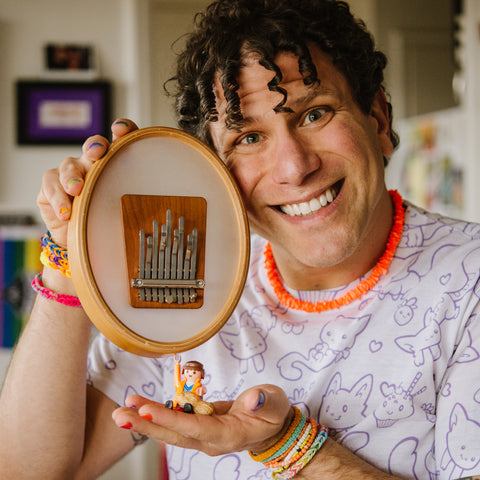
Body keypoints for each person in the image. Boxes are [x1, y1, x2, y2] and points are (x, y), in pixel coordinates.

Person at [1, 0, 480, 479]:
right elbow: (26, 471)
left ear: (377, 118)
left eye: (314, 114)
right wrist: (66, 259)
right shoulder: (189, 287)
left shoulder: (469, 281)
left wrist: (290, 445)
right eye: (248, 138)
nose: (295, 167)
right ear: (217, 173)